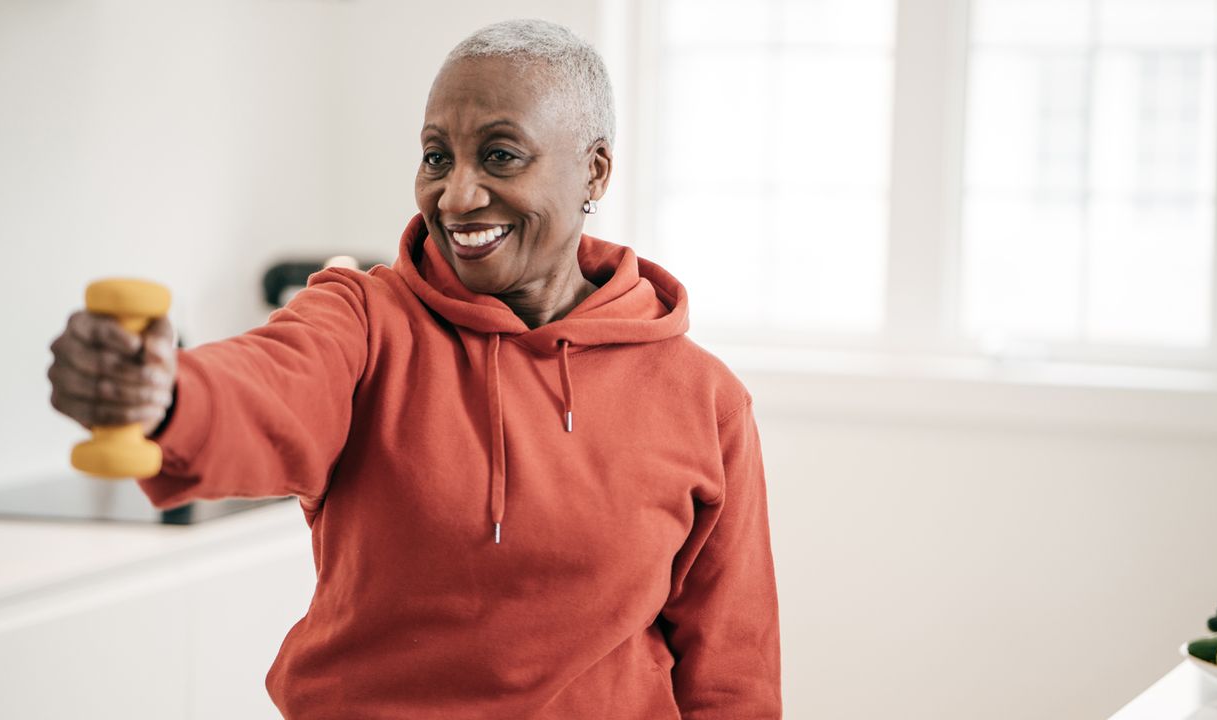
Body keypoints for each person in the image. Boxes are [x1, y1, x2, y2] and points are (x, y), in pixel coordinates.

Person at [47, 18, 781, 719]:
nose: (456, 196)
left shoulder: (704, 399)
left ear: (594, 170)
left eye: (500, 155)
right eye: (436, 157)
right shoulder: (365, 320)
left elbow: (731, 672)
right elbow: (272, 381)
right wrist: (165, 393)